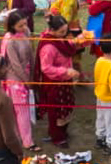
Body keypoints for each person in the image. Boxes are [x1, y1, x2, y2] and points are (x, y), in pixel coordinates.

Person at [37, 14, 80, 148]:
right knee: (56, 111)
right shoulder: (48, 47)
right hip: (54, 83)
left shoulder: (59, 40)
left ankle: (62, 132)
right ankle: (57, 137)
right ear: (52, 30)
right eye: (61, 32)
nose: (64, 34)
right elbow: (46, 68)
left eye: (65, 31)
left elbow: (67, 48)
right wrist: (65, 71)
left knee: (65, 108)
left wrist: (79, 41)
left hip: (64, 81)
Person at [0, 11, 37, 153]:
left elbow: (30, 54)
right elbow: (15, 65)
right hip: (14, 79)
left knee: (20, 110)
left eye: (25, 23)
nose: (24, 27)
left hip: (26, 75)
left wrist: (32, 74)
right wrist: (27, 81)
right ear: (12, 26)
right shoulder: (10, 41)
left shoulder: (25, 32)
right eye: (20, 25)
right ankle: (27, 142)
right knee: (21, 111)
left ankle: (18, 136)